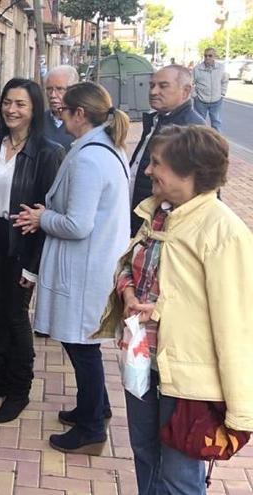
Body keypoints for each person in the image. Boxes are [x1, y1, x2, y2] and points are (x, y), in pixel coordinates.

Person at [94, 124, 253, 493]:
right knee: (145, 455)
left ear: (189, 171)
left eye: (156, 163)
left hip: (191, 384)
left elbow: (238, 324)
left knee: (180, 478)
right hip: (143, 365)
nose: (147, 171)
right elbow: (128, 268)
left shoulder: (223, 232)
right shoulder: (159, 214)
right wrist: (128, 292)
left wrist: (240, 408)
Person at [14, 82, 132, 454]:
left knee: (82, 346)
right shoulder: (105, 149)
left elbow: (78, 224)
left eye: (64, 111)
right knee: (83, 344)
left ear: (80, 114)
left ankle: (92, 428)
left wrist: (43, 216)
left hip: (85, 269)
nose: (60, 117)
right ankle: (94, 406)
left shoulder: (88, 158)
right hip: (94, 265)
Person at [0, 78, 65, 423]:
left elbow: (46, 213)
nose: (11, 109)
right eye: (7, 102)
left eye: (20, 104)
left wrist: (33, 266)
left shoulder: (48, 152)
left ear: (34, 109)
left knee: (16, 316)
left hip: (21, 242)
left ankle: (19, 388)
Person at [129, 65, 204, 234]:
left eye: (163, 86)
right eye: (151, 85)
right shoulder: (157, 121)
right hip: (144, 219)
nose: (153, 92)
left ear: (185, 91)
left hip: (164, 226)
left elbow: (205, 189)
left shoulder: (191, 130)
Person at [43, 65, 79, 150]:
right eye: (49, 89)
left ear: (73, 90)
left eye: (60, 89)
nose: (53, 95)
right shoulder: (36, 122)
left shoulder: (84, 125)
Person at [192, 48, 228, 131]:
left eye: (210, 55)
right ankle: (199, 141)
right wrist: (194, 96)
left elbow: (225, 81)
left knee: (216, 123)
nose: (207, 58)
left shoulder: (221, 68)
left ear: (214, 56)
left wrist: (222, 93)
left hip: (216, 101)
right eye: (205, 56)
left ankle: (217, 142)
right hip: (200, 101)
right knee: (199, 123)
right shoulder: (197, 69)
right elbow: (190, 83)